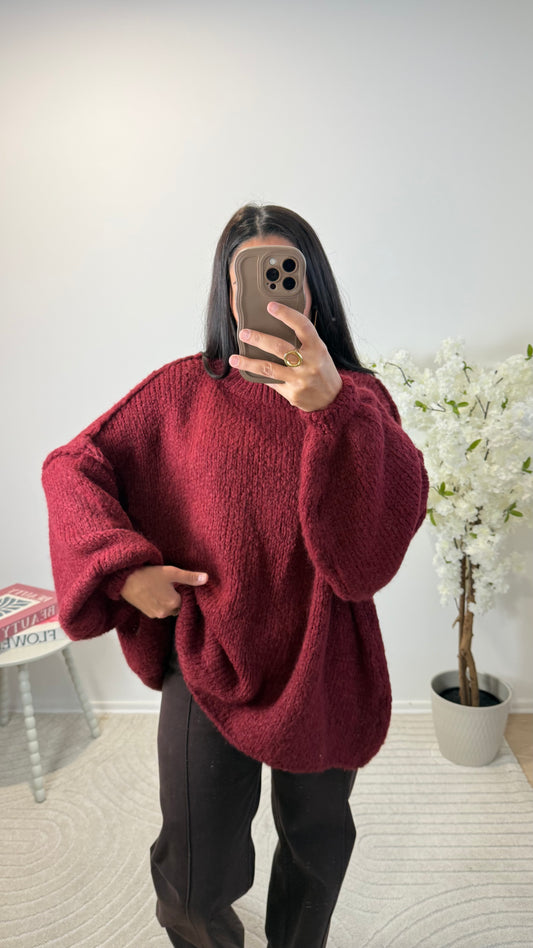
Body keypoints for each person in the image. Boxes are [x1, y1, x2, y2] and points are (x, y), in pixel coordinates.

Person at [42, 203, 429, 948]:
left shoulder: (360, 399)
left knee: (317, 846)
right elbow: (71, 466)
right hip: (209, 653)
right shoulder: (178, 393)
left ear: (313, 288)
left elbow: (367, 559)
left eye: (288, 274)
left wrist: (334, 410)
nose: (271, 293)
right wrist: (124, 571)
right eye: (250, 277)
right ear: (226, 291)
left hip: (323, 656)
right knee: (194, 873)